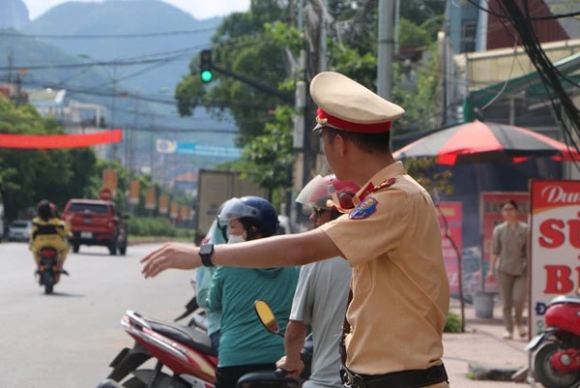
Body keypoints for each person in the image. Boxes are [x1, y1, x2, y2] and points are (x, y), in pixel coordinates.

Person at [141, 71, 450, 388]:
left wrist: (203, 254)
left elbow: (300, 249)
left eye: (323, 140)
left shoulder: (395, 200)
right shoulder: (389, 197)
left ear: (339, 143)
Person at [206, 196, 298, 388]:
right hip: (280, 361)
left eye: (233, 227)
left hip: (234, 360)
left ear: (254, 229)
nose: (229, 233)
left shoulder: (227, 264)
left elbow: (213, 303)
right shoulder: (295, 267)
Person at [276, 174, 359, 387]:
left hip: (328, 381)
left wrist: (292, 361)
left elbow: (296, 330)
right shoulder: (382, 255)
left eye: (318, 211)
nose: (313, 219)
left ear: (339, 212)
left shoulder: (316, 258)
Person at [487, 199, 528, 340]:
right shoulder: (499, 230)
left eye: (511, 209)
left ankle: (519, 323)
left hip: (522, 269)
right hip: (504, 269)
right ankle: (509, 329)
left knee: (519, 299)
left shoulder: (525, 229)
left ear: (516, 211)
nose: (508, 212)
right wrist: (491, 270)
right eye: (505, 210)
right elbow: (495, 251)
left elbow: (529, 251)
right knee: (506, 302)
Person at [195, 210, 228, 352]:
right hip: (221, 329)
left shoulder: (276, 261)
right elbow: (203, 299)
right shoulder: (209, 255)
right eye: (231, 226)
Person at [30, 200, 70, 281]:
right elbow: (64, 233)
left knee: (34, 251)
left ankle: (38, 267)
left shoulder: (35, 221)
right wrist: (68, 224)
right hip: (55, 243)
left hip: (39, 244)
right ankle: (59, 267)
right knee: (65, 249)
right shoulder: (56, 222)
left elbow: (32, 234)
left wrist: (31, 242)